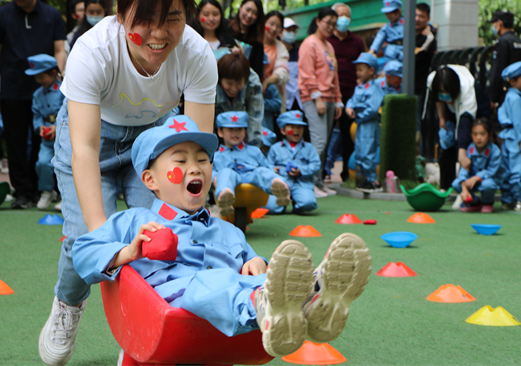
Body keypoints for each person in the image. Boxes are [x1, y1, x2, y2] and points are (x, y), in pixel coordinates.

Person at [71, 114, 372, 360]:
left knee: (253, 279)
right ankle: (264, 304)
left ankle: (313, 299)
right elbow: (82, 250)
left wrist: (255, 261)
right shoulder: (135, 220)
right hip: (168, 306)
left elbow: (250, 264)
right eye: (180, 161)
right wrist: (128, 251)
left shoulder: (227, 230)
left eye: (203, 160)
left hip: (228, 302)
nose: (196, 168)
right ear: (151, 180)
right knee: (210, 281)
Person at [37, 0, 218, 365]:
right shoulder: (93, 51)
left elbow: (197, 147)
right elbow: (83, 148)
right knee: (85, 234)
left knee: (160, 237)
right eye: (145, 20)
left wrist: (196, 213)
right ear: (121, 16)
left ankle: (143, 331)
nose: (159, 33)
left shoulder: (197, 54)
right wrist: (103, 235)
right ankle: (68, 304)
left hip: (154, 141)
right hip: (90, 138)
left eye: (172, 17)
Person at [0, 0, 67, 209]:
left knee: (44, 139)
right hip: (12, 88)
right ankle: (22, 191)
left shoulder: (52, 15)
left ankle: (43, 189)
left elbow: (59, 50)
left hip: (46, 92)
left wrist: (59, 82)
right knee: (15, 141)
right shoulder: (1, 16)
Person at [298, 8, 343, 198]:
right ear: (318, 21)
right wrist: (317, 98)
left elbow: (334, 76)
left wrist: (338, 100)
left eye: (334, 24)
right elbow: (307, 73)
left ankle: (319, 182)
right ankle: (310, 184)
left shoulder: (329, 46)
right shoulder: (309, 44)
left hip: (330, 99)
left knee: (324, 143)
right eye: (328, 23)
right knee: (319, 142)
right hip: (314, 99)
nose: (331, 27)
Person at [213, 111, 290, 216]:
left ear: (245, 132)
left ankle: (279, 186)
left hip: (251, 178)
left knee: (261, 171)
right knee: (225, 173)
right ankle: (225, 196)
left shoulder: (254, 151)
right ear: (220, 132)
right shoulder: (216, 156)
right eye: (230, 129)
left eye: (239, 129)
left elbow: (266, 166)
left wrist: (272, 171)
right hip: (231, 180)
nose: (235, 133)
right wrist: (214, 178)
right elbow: (211, 172)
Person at [327, 2, 366, 182]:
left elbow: (363, 66)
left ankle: (346, 174)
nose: (343, 19)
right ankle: (321, 173)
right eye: (340, 15)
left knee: (348, 134)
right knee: (325, 134)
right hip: (329, 94)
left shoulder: (357, 42)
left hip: (351, 95)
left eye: (347, 16)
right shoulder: (326, 41)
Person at [425, 65, 480, 190]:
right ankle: (445, 188)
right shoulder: (433, 80)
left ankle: (467, 188)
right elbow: (436, 97)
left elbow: (464, 124)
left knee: (465, 148)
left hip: (472, 112)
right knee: (446, 142)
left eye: (446, 92)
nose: (444, 94)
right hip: (450, 111)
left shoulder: (467, 89)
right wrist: (442, 117)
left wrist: (462, 151)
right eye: (441, 92)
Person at [26, 54, 65, 209]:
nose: (40, 81)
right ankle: (47, 192)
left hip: (64, 138)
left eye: (43, 77)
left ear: (53, 73)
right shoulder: (37, 95)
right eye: (37, 78)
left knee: (65, 165)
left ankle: (66, 196)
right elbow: (36, 115)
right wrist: (40, 127)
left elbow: (71, 113)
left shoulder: (64, 91)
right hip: (47, 140)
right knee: (42, 163)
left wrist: (58, 127)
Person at [498, 61, 521, 211]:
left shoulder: (508, 97)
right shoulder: (517, 99)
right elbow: (519, 121)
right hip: (516, 137)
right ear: (513, 81)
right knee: (517, 170)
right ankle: (520, 199)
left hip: (508, 137)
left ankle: (507, 199)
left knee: (507, 170)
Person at [265, 111, 320, 214]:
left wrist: (301, 171)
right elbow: (268, 165)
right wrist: (272, 170)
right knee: (271, 208)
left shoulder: (309, 147)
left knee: (308, 203)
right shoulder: (275, 148)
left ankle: (298, 204)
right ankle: (283, 204)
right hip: (281, 184)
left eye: (299, 127)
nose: (296, 130)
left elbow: (316, 164)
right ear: (283, 130)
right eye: (292, 127)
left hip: (302, 183)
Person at [345, 53, 384, 192]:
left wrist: (358, 115)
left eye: (361, 69)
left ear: (371, 71)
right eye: (357, 69)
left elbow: (373, 109)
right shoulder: (359, 87)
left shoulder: (375, 89)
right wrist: (348, 107)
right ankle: (362, 180)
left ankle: (372, 181)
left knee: (368, 152)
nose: (358, 73)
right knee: (360, 151)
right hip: (361, 124)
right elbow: (352, 100)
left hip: (369, 124)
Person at [452, 117, 502, 213]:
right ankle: (474, 202)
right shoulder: (469, 149)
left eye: (482, 134)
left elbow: (491, 171)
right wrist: (464, 187)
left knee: (488, 184)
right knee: (456, 183)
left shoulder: (495, 151)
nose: (478, 137)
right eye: (475, 134)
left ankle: (487, 202)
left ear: (490, 135)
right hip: (471, 181)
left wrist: (476, 178)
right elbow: (464, 168)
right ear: (471, 135)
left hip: (486, 180)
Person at [215, 53, 264, 146]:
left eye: (238, 83)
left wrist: (253, 150)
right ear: (220, 79)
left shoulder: (253, 83)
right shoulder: (209, 83)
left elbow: (255, 117)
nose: (233, 89)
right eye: (229, 83)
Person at [487, 11, 521, 105]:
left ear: (500, 23)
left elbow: (497, 70)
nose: (493, 26)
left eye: (494, 23)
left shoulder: (502, 42)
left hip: (505, 92)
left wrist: (492, 97)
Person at [414, 3, 438, 161]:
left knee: (418, 126)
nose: (417, 19)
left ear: (427, 18)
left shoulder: (429, 38)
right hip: (400, 86)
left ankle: (420, 160)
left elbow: (418, 57)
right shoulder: (405, 34)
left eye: (422, 16)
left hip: (419, 88)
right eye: (415, 15)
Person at [228, 0, 265, 79]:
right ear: (241, 7)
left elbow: (257, 72)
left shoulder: (257, 42)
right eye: (247, 10)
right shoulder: (226, 28)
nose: (249, 15)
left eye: (255, 13)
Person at [262, 11, 290, 112]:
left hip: (272, 98)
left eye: (278, 26)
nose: (273, 29)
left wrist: (266, 82)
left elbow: (283, 72)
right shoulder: (253, 43)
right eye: (271, 24)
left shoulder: (281, 48)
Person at [368, 0, 404, 66]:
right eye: (387, 14)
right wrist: (371, 51)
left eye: (392, 13)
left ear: (399, 10)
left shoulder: (408, 23)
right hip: (391, 54)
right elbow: (378, 39)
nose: (389, 16)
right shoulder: (386, 28)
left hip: (405, 53)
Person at [282, 17, 301, 112]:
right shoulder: (276, 50)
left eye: (294, 31)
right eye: (288, 30)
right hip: (283, 101)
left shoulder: (300, 52)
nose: (291, 33)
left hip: (299, 100)